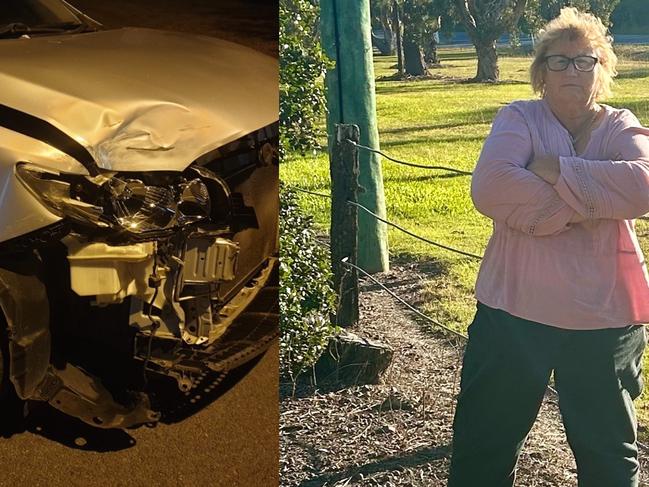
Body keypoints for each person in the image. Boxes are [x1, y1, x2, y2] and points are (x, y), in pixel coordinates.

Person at [448, 7, 649, 487]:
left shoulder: (620, 124)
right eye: (559, 61)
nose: (572, 71)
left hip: (604, 317)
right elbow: (492, 187)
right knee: (484, 444)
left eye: (586, 60)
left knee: (608, 456)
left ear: (603, 69)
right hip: (515, 310)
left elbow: (644, 186)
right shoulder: (518, 116)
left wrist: (552, 170)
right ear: (540, 72)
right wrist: (596, 203)